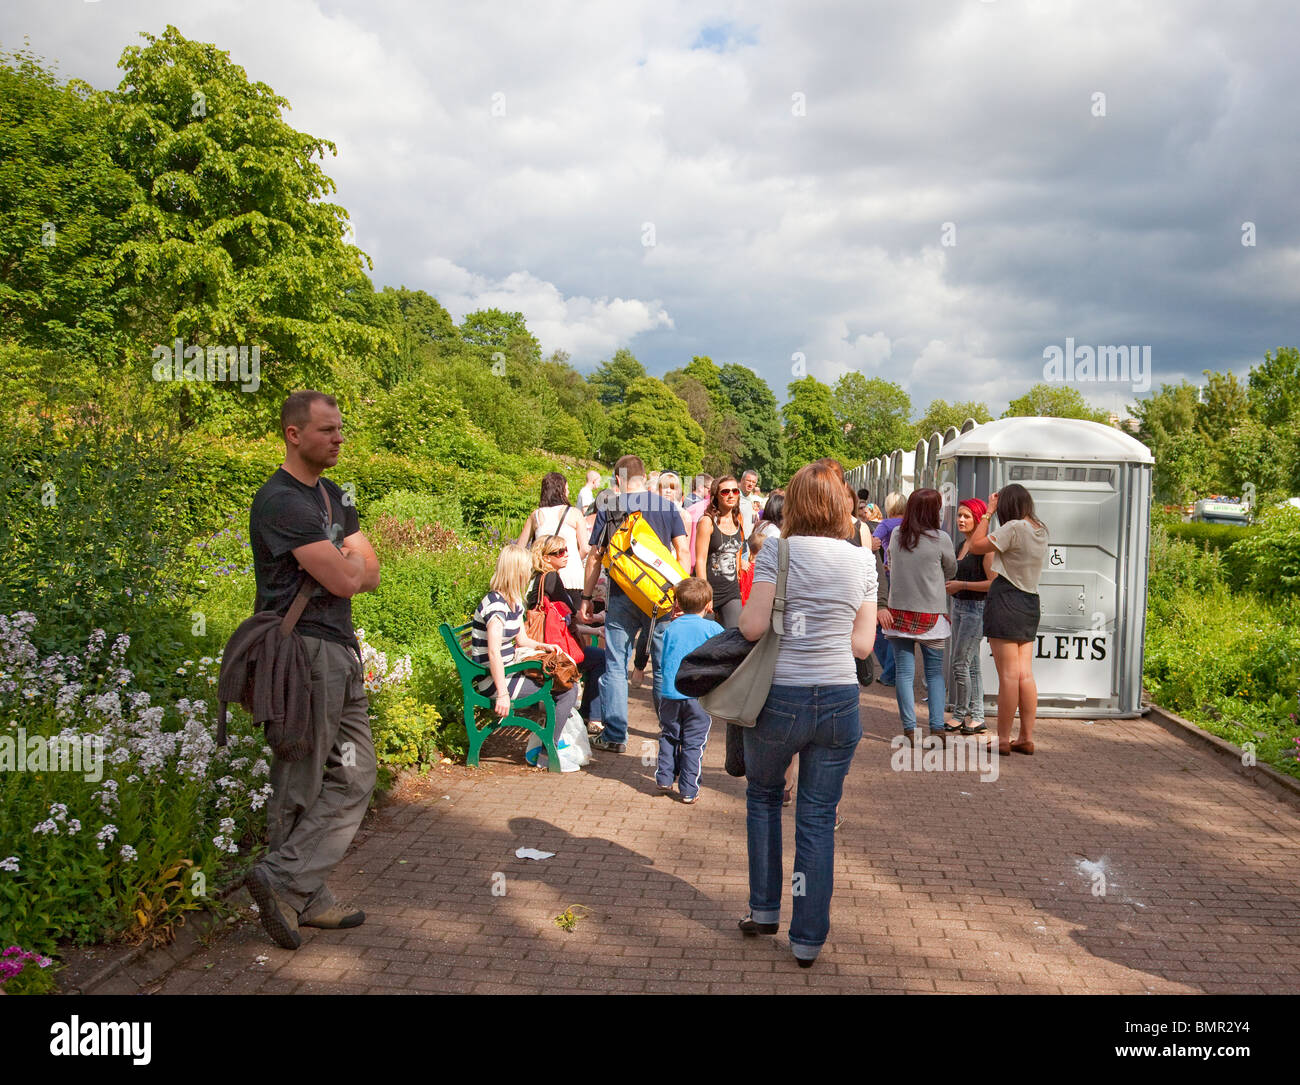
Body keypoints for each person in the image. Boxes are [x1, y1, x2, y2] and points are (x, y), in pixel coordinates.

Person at [245, 390, 381, 951]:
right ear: (294, 434)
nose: (339, 438)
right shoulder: (281, 502)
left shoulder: (332, 495)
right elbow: (350, 578)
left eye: (341, 428)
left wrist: (347, 563)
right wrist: (348, 564)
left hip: (339, 650)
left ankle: (289, 883)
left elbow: (370, 569)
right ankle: (305, 894)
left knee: (355, 773)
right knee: (298, 779)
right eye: (327, 430)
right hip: (302, 654)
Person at [737, 461, 876, 968]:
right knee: (817, 818)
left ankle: (764, 909)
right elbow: (862, 647)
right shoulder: (863, 561)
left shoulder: (779, 547)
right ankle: (807, 940)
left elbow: (752, 627)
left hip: (781, 697)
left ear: (794, 502)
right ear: (844, 507)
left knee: (764, 796)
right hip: (840, 699)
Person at [579, 455, 689, 754]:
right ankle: (669, 732)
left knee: (616, 664)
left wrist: (587, 599)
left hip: (621, 596)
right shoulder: (668, 507)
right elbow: (682, 551)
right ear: (643, 477)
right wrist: (683, 594)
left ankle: (615, 735)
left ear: (618, 479)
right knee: (664, 666)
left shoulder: (610, 507)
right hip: (660, 598)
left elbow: (595, 556)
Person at [967, 484, 1049, 757]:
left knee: (1008, 676)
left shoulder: (1013, 528)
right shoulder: (1040, 529)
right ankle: (1026, 737)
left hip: (1006, 599)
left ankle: (1002, 739)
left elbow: (976, 546)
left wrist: (987, 514)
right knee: (1025, 674)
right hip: (1030, 601)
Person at [473, 544, 580, 743]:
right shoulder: (496, 606)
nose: (530, 574)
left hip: (509, 670)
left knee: (567, 683)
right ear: (516, 572)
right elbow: (493, 653)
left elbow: (521, 640)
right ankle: (548, 751)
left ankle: (547, 745)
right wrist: (503, 695)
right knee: (568, 690)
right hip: (496, 681)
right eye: (527, 570)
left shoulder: (512, 600)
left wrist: (543, 646)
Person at [879, 488, 956, 743]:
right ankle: (937, 729)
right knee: (934, 673)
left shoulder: (897, 535)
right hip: (932, 615)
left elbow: (890, 564)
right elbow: (951, 569)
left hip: (898, 612)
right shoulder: (941, 538)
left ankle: (909, 729)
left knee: (904, 672)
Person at [654, 577, 723, 804]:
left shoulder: (671, 627)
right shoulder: (713, 628)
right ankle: (688, 789)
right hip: (698, 696)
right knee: (694, 742)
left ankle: (664, 777)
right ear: (709, 604)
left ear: (678, 604)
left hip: (670, 692)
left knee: (669, 735)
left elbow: (663, 660)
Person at [528, 535, 606, 730]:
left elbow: (561, 621)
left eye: (566, 550)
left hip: (550, 646)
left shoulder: (538, 578)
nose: (566, 555)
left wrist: (594, 631)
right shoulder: (551, 578)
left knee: (597, 657)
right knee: (600, 659)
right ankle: (592, 717)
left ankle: (588, 714)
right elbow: (570, 614)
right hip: (552, 652)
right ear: (545, 558)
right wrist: (595, 627)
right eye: (559, 552)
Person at [946, 498, 994, 736]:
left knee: (960, 663)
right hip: (959, 606)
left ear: (978, 519)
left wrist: (961, 584)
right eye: (960, 516)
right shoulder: (960, 545)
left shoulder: (985, 548)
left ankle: (960, 713)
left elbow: (992, 584)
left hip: (976, 609)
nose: (961, 520)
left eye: (967, 516)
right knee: (972, 665)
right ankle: (976, 716)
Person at [517, 472, 589, 593]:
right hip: (572, 578)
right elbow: (585, 549)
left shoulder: (536, 515)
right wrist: (572, 559)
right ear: (560, 491)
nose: (569, 492)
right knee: (571, 611)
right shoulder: (574, 513)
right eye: (567, 489)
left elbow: (519, 548)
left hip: (544, 579)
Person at [694, 475, 750, 630]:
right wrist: (705, 594)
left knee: (735, 635)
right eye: (725, 492)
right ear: (716, 496)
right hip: (709, 588)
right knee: (705, 641)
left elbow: (738, 552)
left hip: (731, 591)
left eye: (735, 491)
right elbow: (700, 560)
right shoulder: (707, 522)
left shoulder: (738, 519)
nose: (731, 495)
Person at [738, 469, 764, 536]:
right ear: (742, 480)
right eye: (748, 481)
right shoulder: (735, 497)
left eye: (753, 482)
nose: (751, 484)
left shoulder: (752, 500)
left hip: (749, 540)